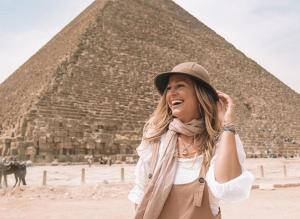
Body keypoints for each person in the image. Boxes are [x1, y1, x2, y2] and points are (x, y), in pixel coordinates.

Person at [128, 62, 255, 219]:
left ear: (200, 94)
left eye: (180, 86)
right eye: (168, 88)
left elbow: (228, 188)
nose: (172, 93)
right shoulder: (156, 139)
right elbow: (140, 193)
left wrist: (227, 125)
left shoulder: (221, 140)